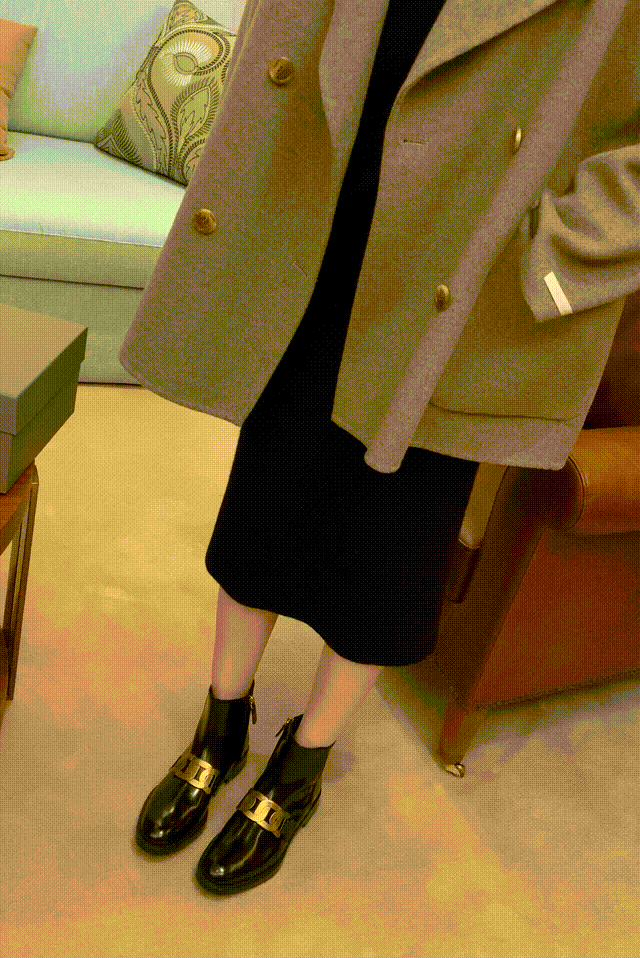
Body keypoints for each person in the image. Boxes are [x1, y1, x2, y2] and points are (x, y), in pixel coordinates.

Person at [123, 0, 640, 896]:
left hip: (461, 283)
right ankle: (221, 724)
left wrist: (556, 254)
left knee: (388, 548)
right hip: (312, 226)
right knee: (263, 502)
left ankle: (302, 766)